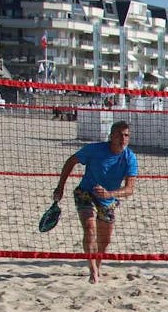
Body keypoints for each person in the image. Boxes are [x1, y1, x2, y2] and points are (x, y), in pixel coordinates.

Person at [53, 120, 138, 284]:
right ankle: (93, 273)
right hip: (86, 193)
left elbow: (129, 189)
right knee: (90, 229)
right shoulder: (94, 149)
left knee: (105, 240)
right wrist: (60, 187)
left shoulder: (130, 157)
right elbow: (71, 161)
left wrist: (109, 194)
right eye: (120, 135)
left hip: (108, 199)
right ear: (111, 136)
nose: (123, 139)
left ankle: (97, 266)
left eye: (126, 135)